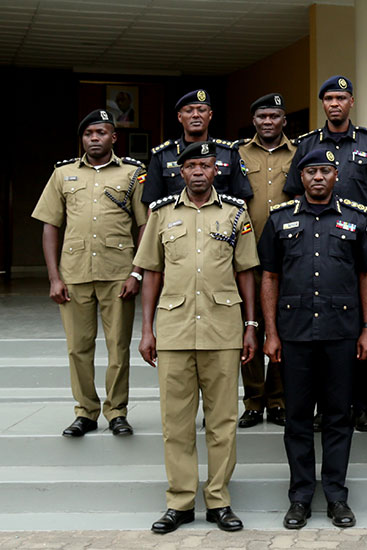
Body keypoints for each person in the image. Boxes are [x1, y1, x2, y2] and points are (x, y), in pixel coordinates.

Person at [135, 141, 258, 534]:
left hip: (223, 330)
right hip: (173, 330)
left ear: (216, 169)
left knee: (222, 422)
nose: (200, 171)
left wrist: (251, 325)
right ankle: (181, 501)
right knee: (176, 423)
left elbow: (246, 272)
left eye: (206, 164)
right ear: (181, 171)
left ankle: (219, 500)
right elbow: (150, 272)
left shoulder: (237, 214)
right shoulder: (161, 213)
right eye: (192, 166)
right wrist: (146, 329)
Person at [259, 149, 367, 530]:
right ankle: (299, 497)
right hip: (294, 336)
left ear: (335, 175)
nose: (318, 178)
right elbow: (269, 277)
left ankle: (336, 496)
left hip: (341, 334)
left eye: (325, 171)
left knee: (337, 418)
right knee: (296, 419)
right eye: (311, 171)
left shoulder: (357, 218)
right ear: (301, 176)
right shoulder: (279, 219)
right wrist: (271, 333)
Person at [283, 75, 367, 432]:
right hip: (317, 241)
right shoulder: (307, 144)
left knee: (359, 329)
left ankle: (360, 407)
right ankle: (322, 407)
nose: (334, 104)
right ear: (323, 104)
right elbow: (294, 194)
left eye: (341, 98)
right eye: (329, 98)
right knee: (319, 334)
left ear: (351, 103)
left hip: (357, 245)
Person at [32, 109, 147, 437]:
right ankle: (85, 411)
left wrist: (136, 272)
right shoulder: (63, 174)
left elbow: (145, 225)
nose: (94, 138)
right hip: (74, 275)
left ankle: (117, 411)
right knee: (78, 347)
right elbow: (50, 225)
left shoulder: (132, 174)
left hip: (118, 274)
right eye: (88, 134)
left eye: (101, 133)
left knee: (118, 346)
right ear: (82, 139)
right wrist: (54, 277)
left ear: (114, 137)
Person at [234, 93, 296, 428]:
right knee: (250, 327)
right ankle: (254, 400)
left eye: (274, 116)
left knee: (283, 330)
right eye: (262, 116)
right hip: (247, 258)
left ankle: (278, 399)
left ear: (284, 120)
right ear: (254, 121)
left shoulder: (299, 153)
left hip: (288, 259)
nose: (268, 122)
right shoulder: (237, 153)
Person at [141, 89, 253, 206]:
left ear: (210, 115)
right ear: (180, 117)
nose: (195, 115)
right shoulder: (163, 155)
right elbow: (151, 203)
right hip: (176, 222)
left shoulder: (229, 152)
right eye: (189, 111)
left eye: (201, 110)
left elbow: (242, 200)